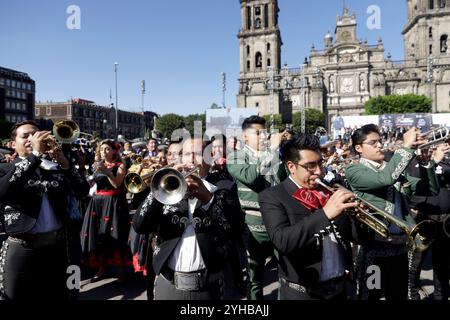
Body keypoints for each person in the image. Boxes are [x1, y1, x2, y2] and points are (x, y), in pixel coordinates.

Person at [132, 137, 242, 300]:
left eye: (197, 153)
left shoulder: (225, 187)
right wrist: (158, 189)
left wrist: (209, 199)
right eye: (187, 154)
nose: (191, 159)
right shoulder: (166, 187)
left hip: (209, 287)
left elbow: (235, 231)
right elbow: (140, 226)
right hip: (168, 284)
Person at [345, 124, 440, 300]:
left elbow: (428, 189)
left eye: (379, 141)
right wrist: (406, 147)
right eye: (373, 143)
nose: (380, 145)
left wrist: (426, 163)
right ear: (359, 148)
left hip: (400, 247)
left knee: (398, 295)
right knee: (370, 296)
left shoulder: (390, 167)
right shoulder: (354, 170)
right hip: (374, 247)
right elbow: (386, 179)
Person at [259, 134, 358, 300]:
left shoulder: (330, 190)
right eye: (310, 166)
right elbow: (283, 241)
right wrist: (326, 214)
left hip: (340, 289)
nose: (319, 171)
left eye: (320, 163)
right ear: (291, 166)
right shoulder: (272, 196)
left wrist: (356, 214)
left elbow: (356, 237)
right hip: (302, 292)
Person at [0, 120, 89, 300]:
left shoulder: (54, 168)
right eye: (25, 136)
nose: (32, 139)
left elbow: (83, 190)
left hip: (61, 248)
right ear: (12, 144)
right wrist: (35, 155)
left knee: (67, 295)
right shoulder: (5, 168)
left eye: (35, 134)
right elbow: (4, 191)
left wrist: (65, 163)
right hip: (21, 248)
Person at [227, 115, 287, 300]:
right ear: (245, 137)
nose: (263, 137)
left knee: (287, 272)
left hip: (278, 221)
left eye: (265, 132)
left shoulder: (274, 155)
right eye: (258, 133)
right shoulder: (236, 156)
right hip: (252, 223)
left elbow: (284, 183)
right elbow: (251, 176)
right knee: (255, 278)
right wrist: (273, 149)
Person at [80, 139, 130, 283]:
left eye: (107, 149)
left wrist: (107, 171)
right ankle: (101, 268)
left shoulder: (120, 165)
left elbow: (117, 184)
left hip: (113, 202)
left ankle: (121, 269)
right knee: (99, 236)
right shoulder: (97, 165)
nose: (104, 152)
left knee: (117, 234)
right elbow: (93, 182)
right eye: (102, 150)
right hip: (98, 202)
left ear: (114, 151)